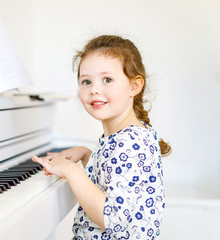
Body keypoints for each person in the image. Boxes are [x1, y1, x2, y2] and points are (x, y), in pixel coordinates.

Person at [32, 35, 171, 240]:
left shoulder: (129, 143)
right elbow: (112, 179)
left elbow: (112, 220)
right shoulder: (125, 136)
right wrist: (87, 154)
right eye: (86, 81)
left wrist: (71, 171)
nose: (94, 89)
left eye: (107, 80)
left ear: (134, 86)